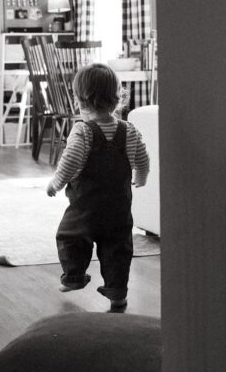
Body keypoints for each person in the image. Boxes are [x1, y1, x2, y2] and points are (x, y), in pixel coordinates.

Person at [46, 63, 149, 313]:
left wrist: (56, 183)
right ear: (116, 98)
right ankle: (117, 295)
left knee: (69, 237)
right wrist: (141, 177)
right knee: (117, 251)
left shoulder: (83, 131)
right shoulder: (129, 130)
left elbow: (70, 162)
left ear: (81, 100)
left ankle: (74, 277)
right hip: (118, 209)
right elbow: (142, 158)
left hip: (86, 209)